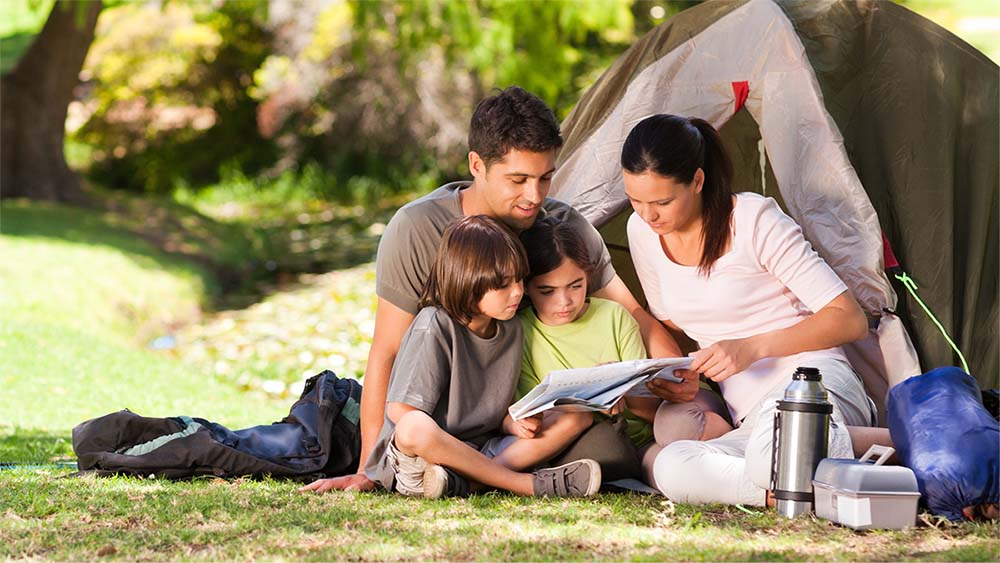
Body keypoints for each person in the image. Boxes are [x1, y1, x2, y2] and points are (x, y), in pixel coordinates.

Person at [302, 86, 694, 494]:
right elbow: (386, 351)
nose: (535, 196)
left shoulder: (562, 227)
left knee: (598, 443)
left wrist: (677, 375)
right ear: (477, 164)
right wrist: (369, 466)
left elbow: (634, 314)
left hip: (516, 423)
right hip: (444, 415)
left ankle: (466, 476)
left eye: (545, 178)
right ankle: (509, 481)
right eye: (518, 179)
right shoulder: (417, 230)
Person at [621, 114, 876, 505]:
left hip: (812, 383)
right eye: (635, 200)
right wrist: (685, 375)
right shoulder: (642, 233)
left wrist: (752, 347)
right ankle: (783, 488)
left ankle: (823, 457)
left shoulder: (752, 220)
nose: (647, 214)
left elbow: (849, 318)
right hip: (750, 419)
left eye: (662, 201)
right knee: (669, 461)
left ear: (698, 181)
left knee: (771, 445)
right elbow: (675, 324)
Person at [350, 215, 601, 498]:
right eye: (503, 285)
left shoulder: (512, 328)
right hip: (422, 459)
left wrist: (511, 422)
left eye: (519, 279)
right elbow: (400, 412)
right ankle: (523, 484)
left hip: (483, 449)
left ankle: (470, 483)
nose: (518, 291)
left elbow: (491, 412)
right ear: (468, 283)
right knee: (412, 427)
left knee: (577, 416)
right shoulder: (433, 325)